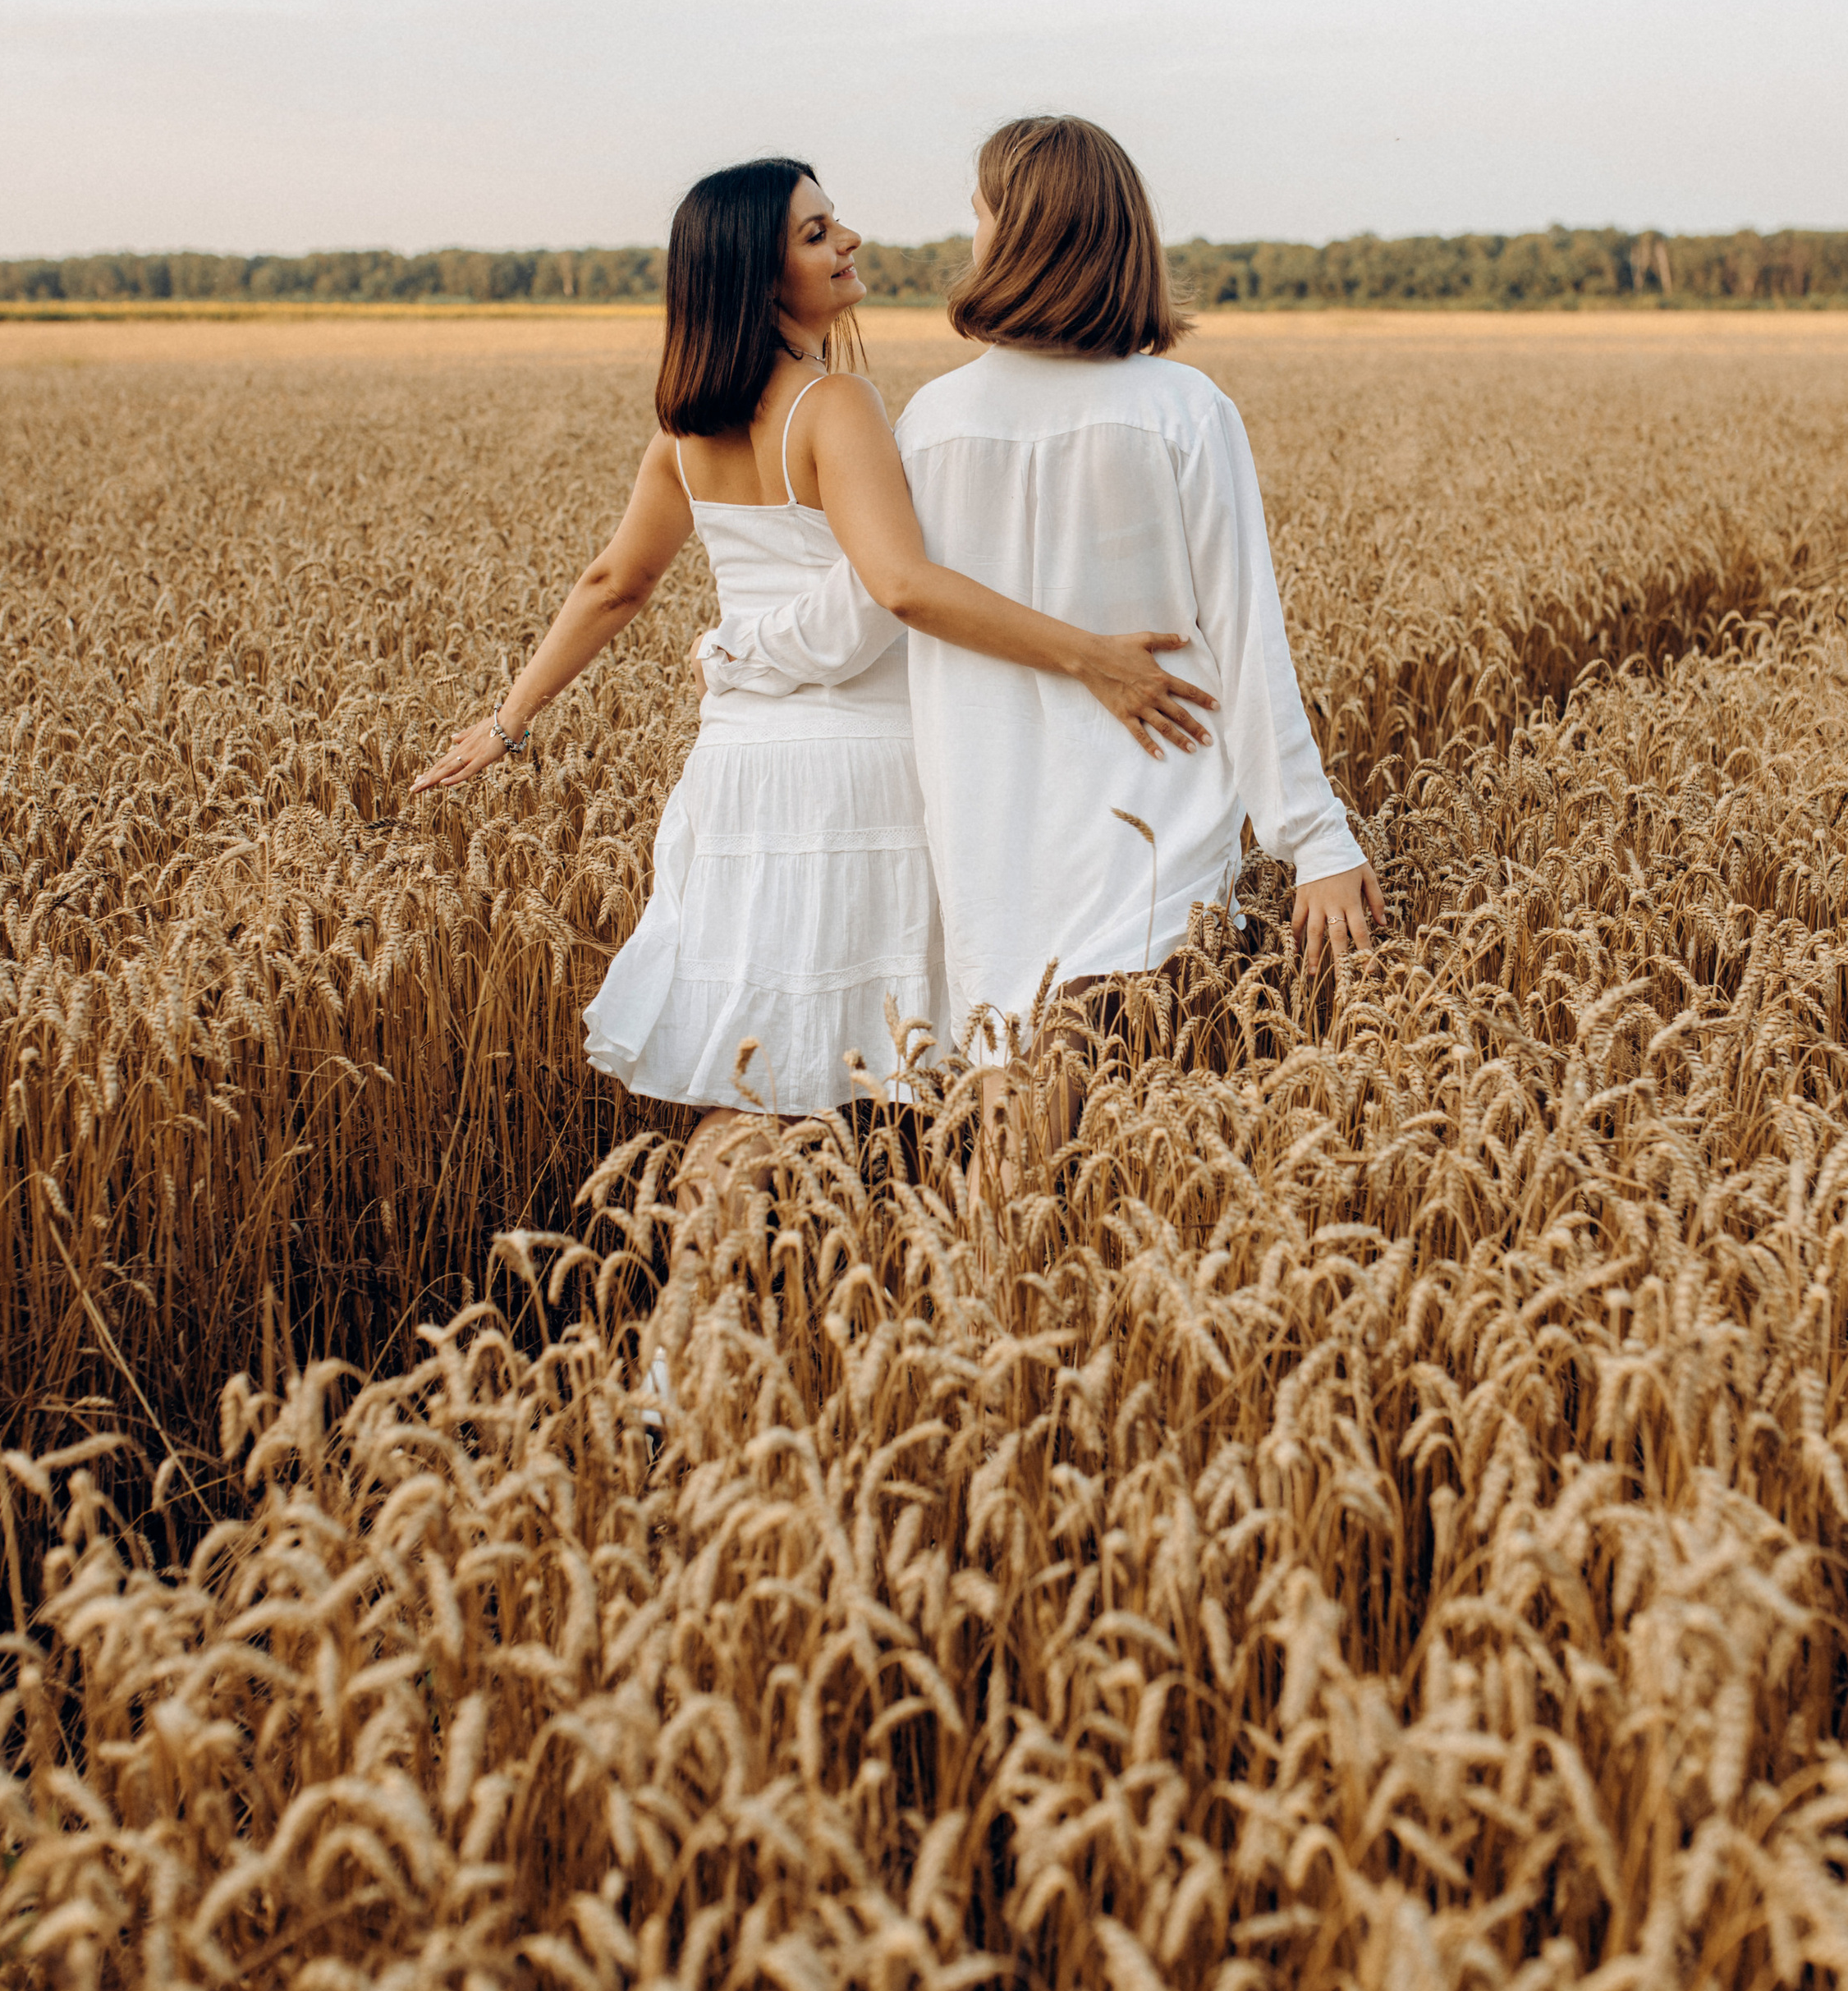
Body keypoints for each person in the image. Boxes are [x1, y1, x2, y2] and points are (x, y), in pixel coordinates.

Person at [410, 154, 1215, 1194]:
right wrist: (1092, 656)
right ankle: (886, 1290)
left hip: (739, 777)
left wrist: (507, 722)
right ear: (756, 273)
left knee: (758, 1081)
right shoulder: (834, 406)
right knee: (877, 1074)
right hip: (856, 775)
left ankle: (698, 1331)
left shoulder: (683, 432)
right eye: (816, 233)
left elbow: (614, 583)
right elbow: (902, 587)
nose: (848, 243)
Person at [699, 115, 1386, 1172]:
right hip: (1154, 823)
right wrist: (1314, 843)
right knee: (1132, 1152)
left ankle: (984, 1304)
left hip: (988, 846)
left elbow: (860, 610)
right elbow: (1248, 640)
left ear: (1022, 235)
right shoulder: (1181, 410)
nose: (965, 234)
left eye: (979, 212)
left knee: (1024, 1146)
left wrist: (735, 654)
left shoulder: (929, 421)